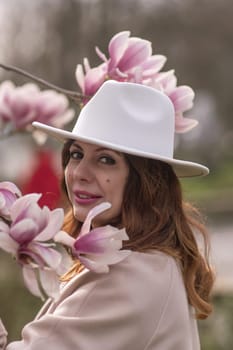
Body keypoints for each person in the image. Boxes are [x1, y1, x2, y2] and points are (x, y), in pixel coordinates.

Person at [0, 80, 214, 349]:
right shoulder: (144, 259)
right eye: (76, 154)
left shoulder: (132, 276)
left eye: (106, 160)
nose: (79, 173)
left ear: (146, 181)